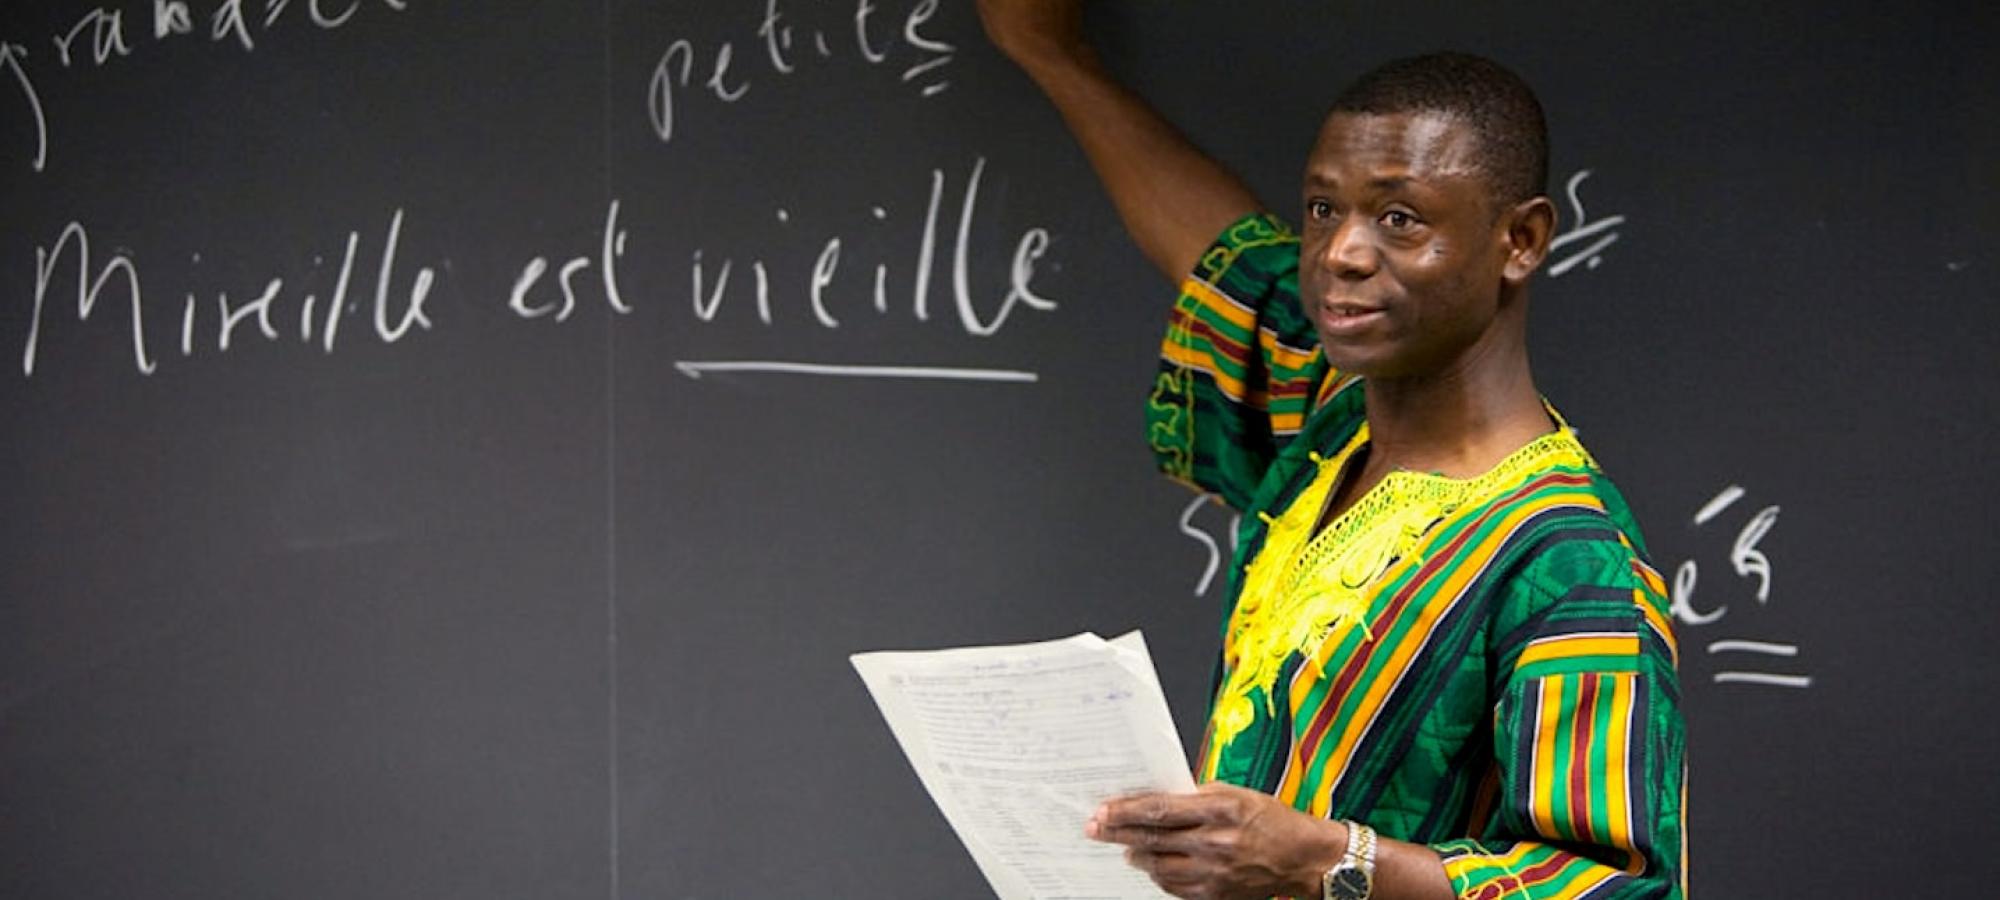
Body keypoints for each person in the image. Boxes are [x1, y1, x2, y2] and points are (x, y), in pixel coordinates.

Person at [978, 3, 1687, 899]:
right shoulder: (1335, 424)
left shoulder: (1567, 562)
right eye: (1323, 207)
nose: (1342, 253)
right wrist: (1049, 52)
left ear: (1521, 239)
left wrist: (1328, 860)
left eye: (1400, 218)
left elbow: (1615, 888)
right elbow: (1221, 259)